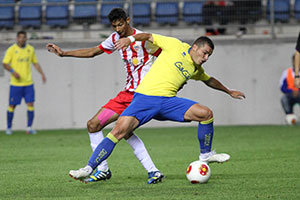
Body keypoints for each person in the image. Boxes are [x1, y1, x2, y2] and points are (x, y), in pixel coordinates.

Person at [68, 33, 246, 182]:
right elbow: (149, 36)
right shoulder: (175, 45)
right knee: (118, 132)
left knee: (206, 114)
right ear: (195, 47)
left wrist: (228, 91)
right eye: (205, 53)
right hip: (145, 98)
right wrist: (129, 40)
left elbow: (209, 80)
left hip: (168, 102)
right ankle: (88, 168)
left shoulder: (195, 68)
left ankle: (205, 155)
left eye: (209, 56)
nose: (206, 58)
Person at [46, 8, 163, 184]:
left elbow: (166, 57)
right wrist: (64, 53)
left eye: (120, 25)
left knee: (124, 131)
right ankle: (103, 170)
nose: (117, 29)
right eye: (114, 26)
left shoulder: (144, 39)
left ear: (128, 20)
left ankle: (153, 171)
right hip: (126, 95)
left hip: (144, 95)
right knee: (93, 125)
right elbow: (93, 51)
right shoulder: (115, 38)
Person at [2, 31, 46, 135]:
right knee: (12, 105)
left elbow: (35, 63)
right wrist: (13, 72)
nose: (22, 39)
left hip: (28, 83)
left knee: (30, 104)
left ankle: (29, 127)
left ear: (26, 39)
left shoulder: (30, 49)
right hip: (15, 84)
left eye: (24, 37)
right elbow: (5, 64)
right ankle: (9, 128)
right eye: (20, 37)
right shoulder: (11, 50)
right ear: (17, 38)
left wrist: (42, 74)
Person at [279, 54, 300, 124]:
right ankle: (290, 117)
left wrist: (298, 91)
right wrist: (291, 91)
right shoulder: (286, 72)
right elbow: (282, 87)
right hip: (290, 94)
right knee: (284, 98)